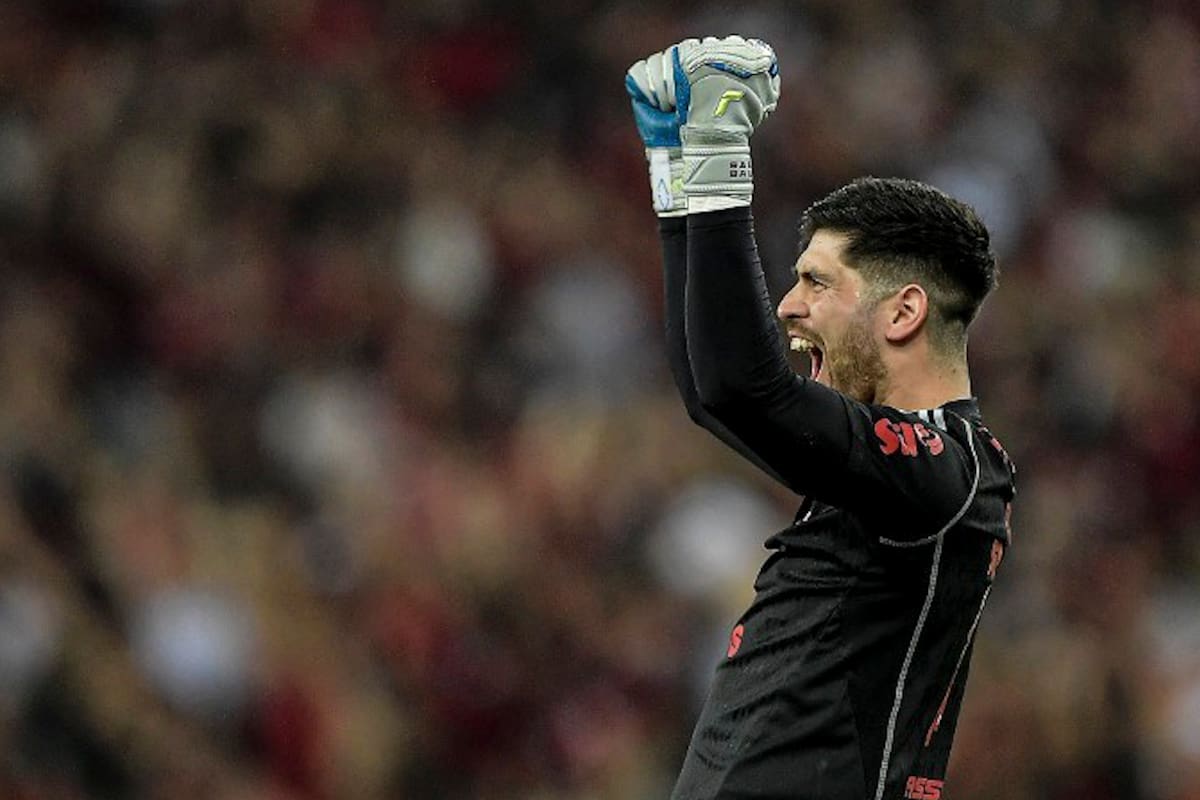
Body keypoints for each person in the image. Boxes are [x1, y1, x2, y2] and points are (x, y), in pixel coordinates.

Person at [625, 37, 1017, 799]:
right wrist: (675, 172)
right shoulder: (895, 475)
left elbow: (746, 387)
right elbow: (713, 395)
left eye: (816, 280)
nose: (787, 304)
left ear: (904, 311)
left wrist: (716, 150)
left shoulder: (953, 471)